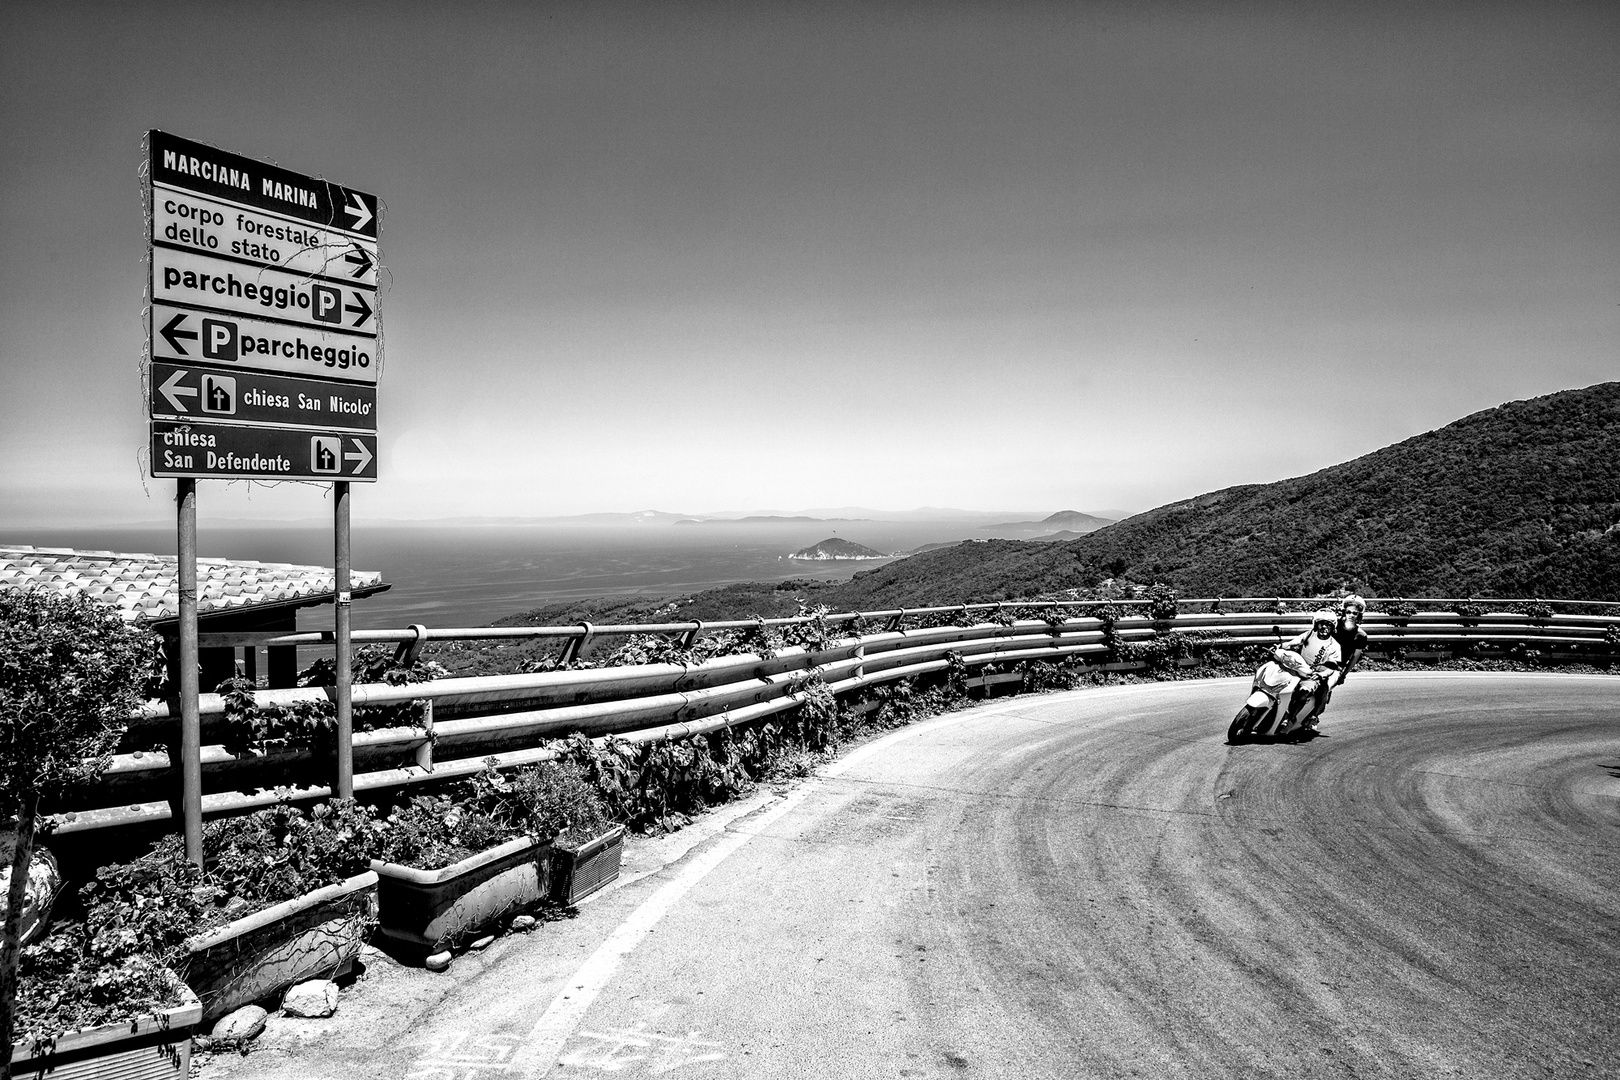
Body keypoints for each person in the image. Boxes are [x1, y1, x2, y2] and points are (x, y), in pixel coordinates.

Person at [1272, 610, 1343, 736]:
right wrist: (1281, 646)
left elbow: (1332, 666)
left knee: (1303, 690)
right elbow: (1294, 642)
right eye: (1321, 623)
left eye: (1328, 624)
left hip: (1314, 674)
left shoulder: (1334, 646)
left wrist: (1322, 674)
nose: (1324, 627)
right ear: (1316, 625)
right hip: (1299, 666)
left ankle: (1290, 719)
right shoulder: (1309, 635)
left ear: (1333, 627)